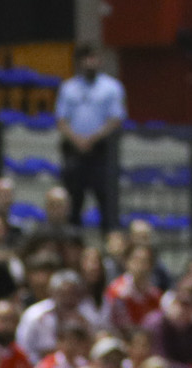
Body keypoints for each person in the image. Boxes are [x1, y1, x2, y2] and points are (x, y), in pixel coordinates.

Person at [55, 45, 126, 232]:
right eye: (86, 58)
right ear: (79, 62)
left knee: (106, 203)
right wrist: (78, 140)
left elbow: (115, 119)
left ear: (99, 60)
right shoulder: (68, 88)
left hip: (101, 153)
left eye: (93, 57)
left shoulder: (112, 87)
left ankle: (109, 247)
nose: (90, 62)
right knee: (73, 204)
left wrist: (91, 139)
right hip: (74, 152)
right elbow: (61, 120)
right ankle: (73, 246)